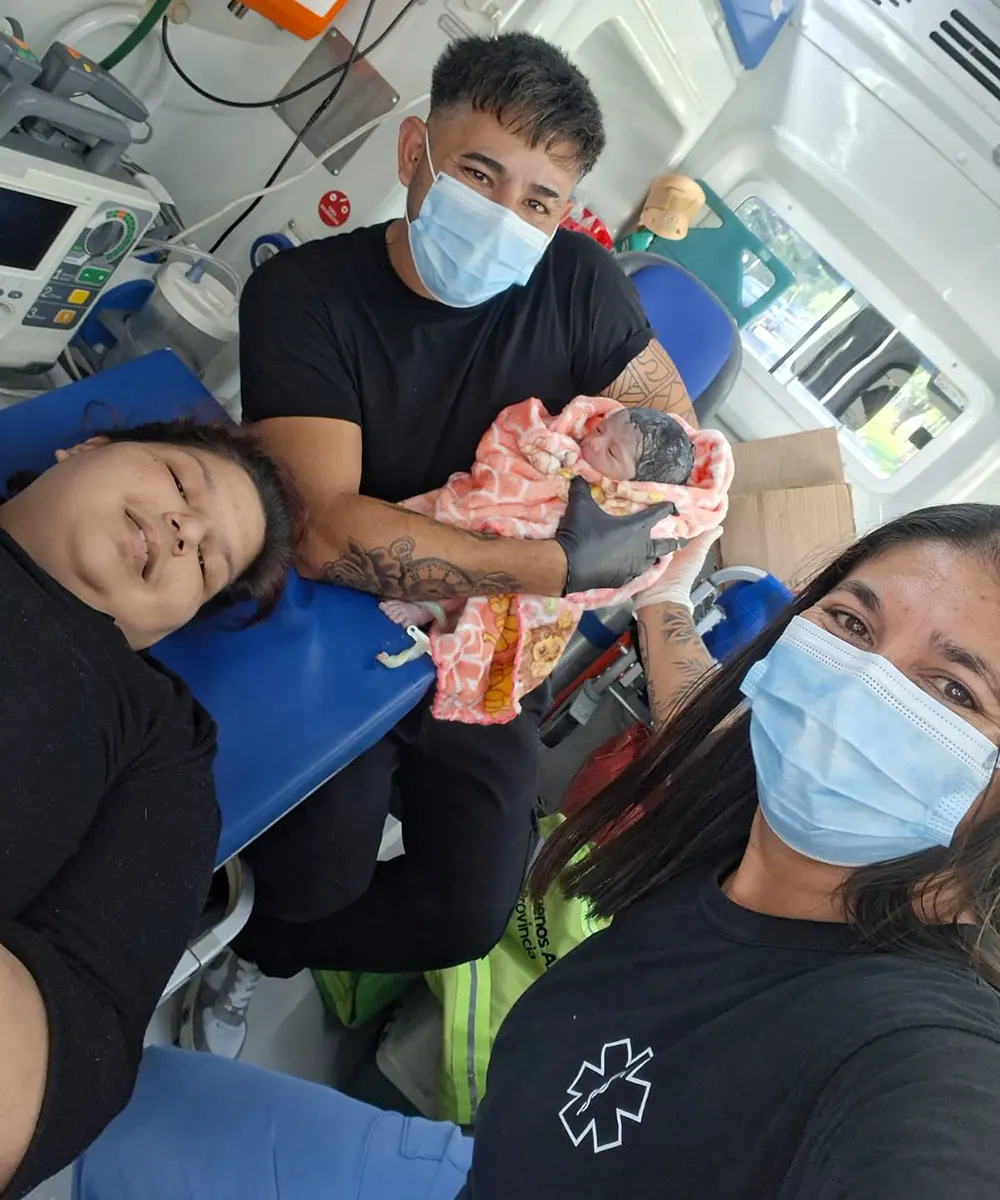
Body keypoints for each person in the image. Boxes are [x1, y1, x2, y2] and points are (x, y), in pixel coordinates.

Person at [75, 504, 1000, 1199]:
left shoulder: (914, 1056)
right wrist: (665, 596)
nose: (854, 698)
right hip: (480, 1170)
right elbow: (709, 711)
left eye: (955, 692)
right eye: (851, 625)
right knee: (108, 1108)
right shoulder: (747, 804)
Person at [182, 30, 701, 1058]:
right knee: (318, 866)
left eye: (540, 201)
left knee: (467, 909)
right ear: (414, 151)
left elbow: (673, 437)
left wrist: (658, 571)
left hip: (495, 640)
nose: (507, 217)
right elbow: (326, 534)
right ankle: (257, 918)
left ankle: (260, 951)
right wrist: (555, 565)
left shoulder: (579, 282)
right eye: (479, 173)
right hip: (344, 619)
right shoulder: (304, 297)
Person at [0, 419, 300, 1200]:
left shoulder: (161, 747)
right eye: (177, 482)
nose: (184, 529)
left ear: (168, 627)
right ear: (85, 448)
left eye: (205, 563)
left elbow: (82, 1045)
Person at [377, 398, 729, 726]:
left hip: (548, 575)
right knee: (477, 533)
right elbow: (521, 439)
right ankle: (429, 592)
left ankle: (432, 608)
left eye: (611, 452)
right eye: (600, 429)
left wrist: (660, 591)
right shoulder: (569, 443)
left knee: (507, 590)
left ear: (640, 483)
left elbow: (613, 579)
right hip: (505, 514)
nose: (594, 442)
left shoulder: (640, 514)